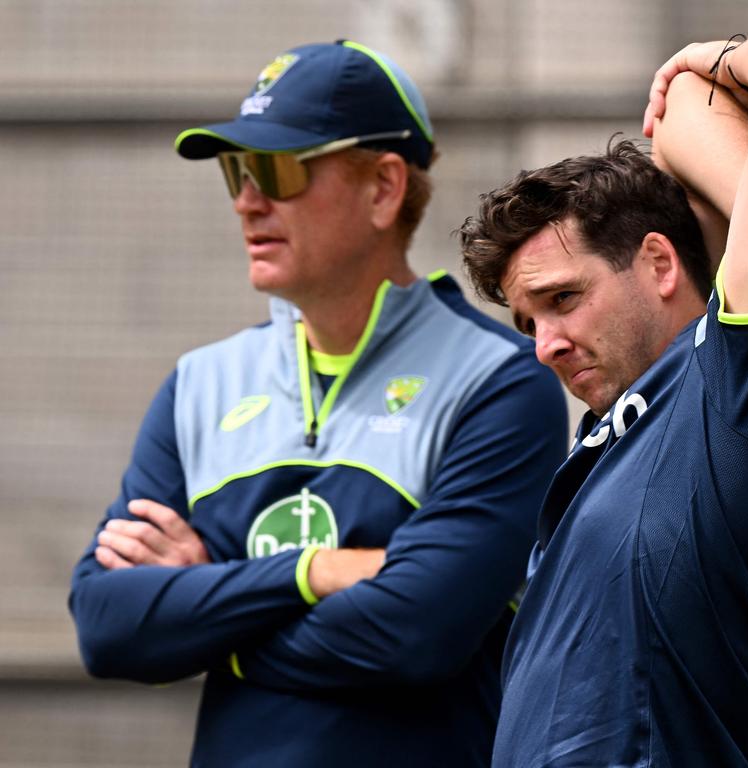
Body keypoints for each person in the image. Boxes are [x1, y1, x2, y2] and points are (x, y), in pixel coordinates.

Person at [67, 40, 569, 766]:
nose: (247, 199)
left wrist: (210, 604)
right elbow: (108, 627)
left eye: (277, 168)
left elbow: (413, 634)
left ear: (384, 188)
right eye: (237, 171)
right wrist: (314, 573)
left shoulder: (500, 382)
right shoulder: (199, 382)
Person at [459, 25, 748, 767]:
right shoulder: (634, 421)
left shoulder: (735, 387)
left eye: (563, 298)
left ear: (658, 262)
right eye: (527, 321)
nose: (542, 342)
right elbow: (680, 116)